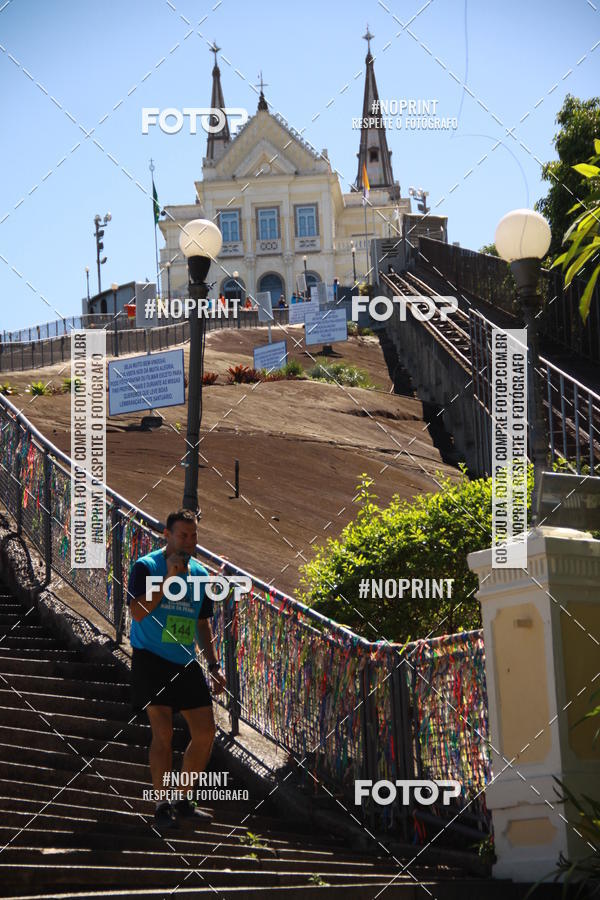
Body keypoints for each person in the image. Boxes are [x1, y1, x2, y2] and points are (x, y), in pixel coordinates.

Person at [127, 508, 227, 832]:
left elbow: (202, 622)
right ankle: (161, 805)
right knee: (164, 733)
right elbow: (137, 612)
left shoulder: (200, 574)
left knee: (206, 732)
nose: (189, 541)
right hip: (150, 658)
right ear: (167, 535)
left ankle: (182, 800)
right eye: (183, 535)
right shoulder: (146, 567)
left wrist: (214, 665)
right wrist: (168, 579)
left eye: (193, 535)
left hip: (184, 660)